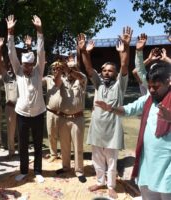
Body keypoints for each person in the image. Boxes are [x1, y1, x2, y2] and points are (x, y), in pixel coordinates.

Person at [94, 61, 171, 200]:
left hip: (167, 166)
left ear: (168, 82)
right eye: (150, 86)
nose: (152, 90)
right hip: (147, 162)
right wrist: (111, 108)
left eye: (156, 87)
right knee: (148, 193)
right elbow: (129, 109)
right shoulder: (149, 98)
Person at [78, 27, 132, 199]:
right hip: (97, 129)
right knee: (97, 160)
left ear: (115, 73)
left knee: (112, 161)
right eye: (104, 70)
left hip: (112, 131)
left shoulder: (119, 86)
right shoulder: (99, 84)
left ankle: (110, 185)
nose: (107, 73)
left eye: (110, 70)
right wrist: (83, 51)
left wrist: (126, 46)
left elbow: (124, 65)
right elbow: (87, 67)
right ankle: (100, 181)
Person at [7, 14, 46, 183]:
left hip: (38, 113)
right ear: (22, 64)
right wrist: (10, 33)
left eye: (30, 64)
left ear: (34, 64)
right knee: (22, 144)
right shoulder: (18, 72)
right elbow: (11, 53)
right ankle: (24, 170)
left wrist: (39, 31)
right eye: (26, 65)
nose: (28, 67)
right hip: (22, 114)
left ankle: (38, 171)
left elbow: (41, 52)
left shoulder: (39, 71)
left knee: (38, 145)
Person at [54, 59, 87, 183]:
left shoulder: (81, 78)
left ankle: (79, 171)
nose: (70, 70)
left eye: (73, 67)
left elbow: (79, 76)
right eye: (69, 68)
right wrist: (58, 72)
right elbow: (56, 83)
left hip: (77, 118)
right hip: (63, 118)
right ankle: (66, 167)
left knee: (78, 146)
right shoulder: (62, 79)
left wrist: (68, 69)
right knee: (64, 145)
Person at [0, 37, 18, 158]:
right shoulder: (6, 77)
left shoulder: (21, 76)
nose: (11, 67)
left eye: (13, 65)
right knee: (11, 130)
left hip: (21, 107)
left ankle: (22, 150)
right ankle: (11, 151)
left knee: (21, 130)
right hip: (10, 107)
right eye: (9, 65)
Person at [42, 60, 64, 163]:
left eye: (58, 68)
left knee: (64, 135)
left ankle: (64, 153)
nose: (56, 70)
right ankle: (53, 154)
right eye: (54, 69)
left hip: (63, 112)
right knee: (51, 134)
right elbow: (37, 80)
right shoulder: (47, 79)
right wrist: (41, 66)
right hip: (50, 111)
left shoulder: (65, 79)